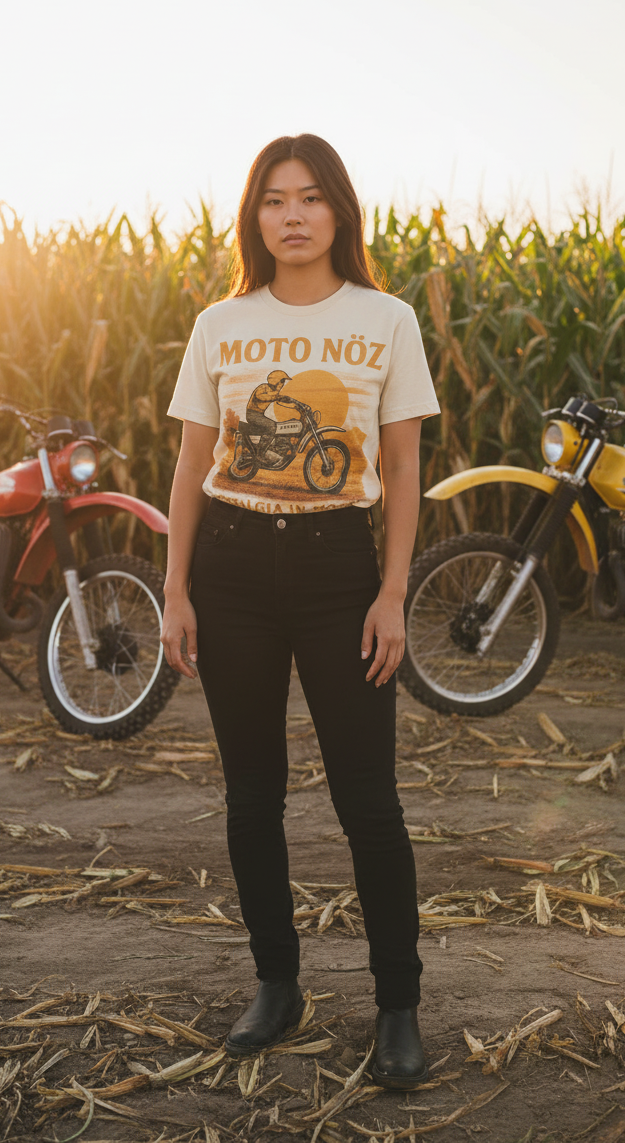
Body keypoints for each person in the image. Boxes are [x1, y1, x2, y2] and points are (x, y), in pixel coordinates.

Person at [162, 134, 440, 1088]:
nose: (291, 215)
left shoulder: (387, 319)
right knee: (252, 796)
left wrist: (393, 592)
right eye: (274, 199)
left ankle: (397, 1006)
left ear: (339, 213)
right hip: (232, 569)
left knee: (370, 801)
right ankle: (277, 986)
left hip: (338, 568)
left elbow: (402, 467)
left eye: (310, 198)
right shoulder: (221, 323)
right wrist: (175, 589)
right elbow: (192, 464)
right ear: (256, 216)